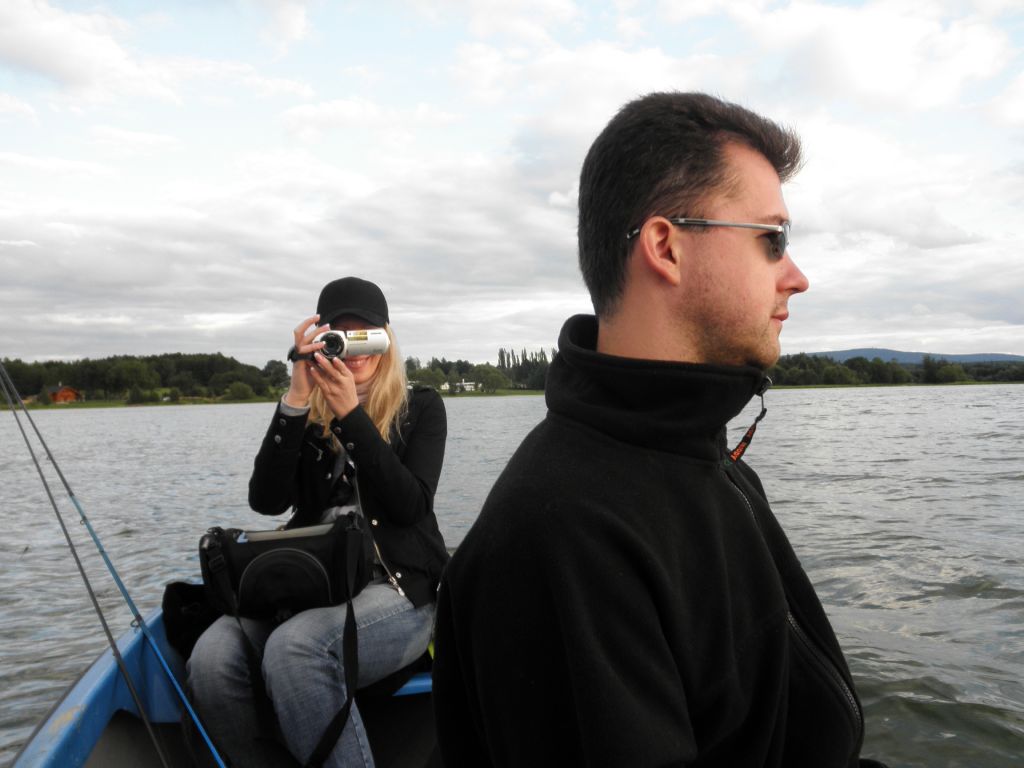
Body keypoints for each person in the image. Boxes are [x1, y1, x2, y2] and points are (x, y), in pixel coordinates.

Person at [432, 93, 887, 767]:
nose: (798, 277)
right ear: (666, 247)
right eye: (773, 240)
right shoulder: (562, 538)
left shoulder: (708, 460)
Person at [188, 276, 448, 767]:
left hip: (397, 590)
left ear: (385, 339)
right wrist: (296, 398)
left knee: (295, 650)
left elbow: (410, 505)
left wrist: (352, 416)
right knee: (211, 660)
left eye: (363, 334)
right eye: (337, 336)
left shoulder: (421, 408)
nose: (351, 349)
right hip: (312, 585)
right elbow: (266, 501)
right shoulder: (307, 418)